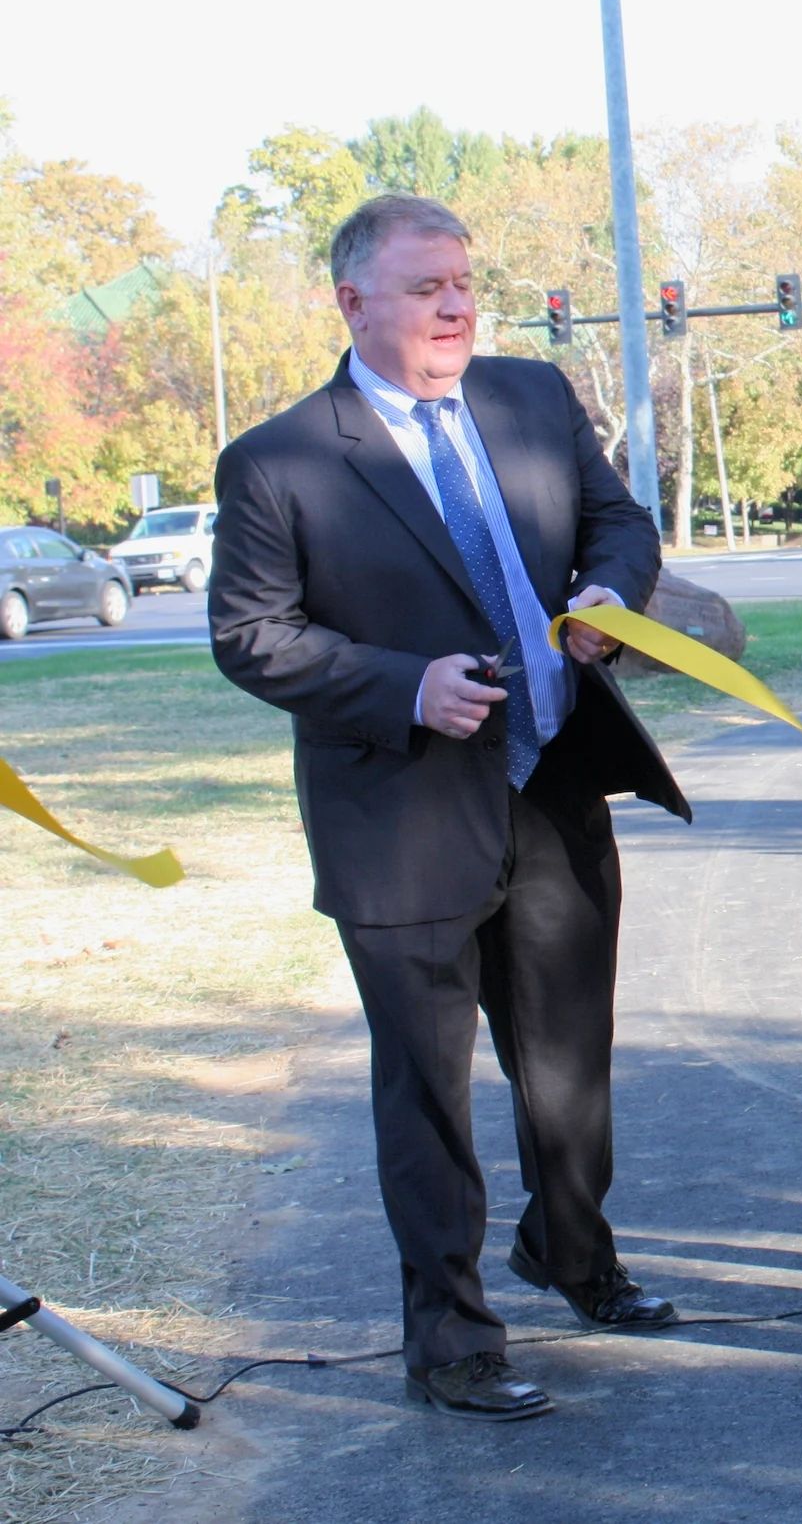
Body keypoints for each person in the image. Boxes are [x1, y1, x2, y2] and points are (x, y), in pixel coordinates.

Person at [208, 195, 685, 1422]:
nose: (458, 305)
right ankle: (452, 1336)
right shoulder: (280, 459)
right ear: (352, 302)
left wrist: (603, 593)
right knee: (427, 1089)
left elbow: (622, 523)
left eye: (465, 281)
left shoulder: (531, 398)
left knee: (569, 1063)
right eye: (426, 288)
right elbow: (251, 636)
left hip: (553, 783)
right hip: (401, 818)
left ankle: (574, 1254)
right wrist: (402, 685)